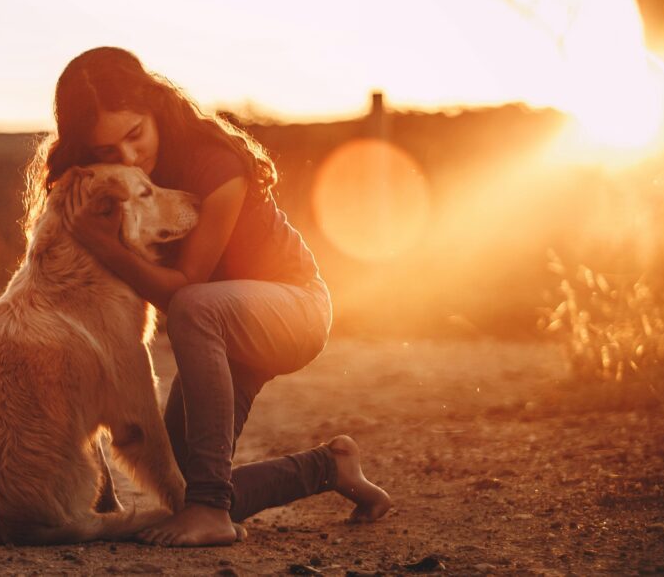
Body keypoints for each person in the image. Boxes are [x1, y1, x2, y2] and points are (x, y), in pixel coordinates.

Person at [23, 46, 391, 547]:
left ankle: (211, 514)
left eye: (135, 135)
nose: (129, 158)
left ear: (155, 105)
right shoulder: (107, 183)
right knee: (179, 487)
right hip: (220, 326)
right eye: (108, 151)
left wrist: (102, 245)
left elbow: (184, 290)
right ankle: (330, 468)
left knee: (196, 306)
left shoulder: (215, 164)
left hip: (293, 308)